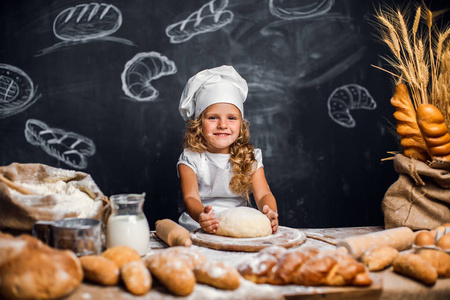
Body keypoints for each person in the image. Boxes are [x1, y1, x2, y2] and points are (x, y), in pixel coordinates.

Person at [177, 65, 279, 234]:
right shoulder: (191, 158)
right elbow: (191, 197)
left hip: (239, 226)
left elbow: (263, 194)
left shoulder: (250, 157)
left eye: (231, 118)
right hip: (198, 225)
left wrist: (270, 212)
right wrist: (202, 216)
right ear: (198, 123)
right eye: (213, 117)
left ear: (241, 124)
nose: (223, 125)